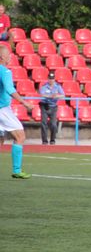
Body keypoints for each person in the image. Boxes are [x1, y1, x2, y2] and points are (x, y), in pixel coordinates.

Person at [0, 45, 36, 178]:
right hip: (2, 109)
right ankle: (16, 170)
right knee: (20, 136)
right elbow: (10, 89)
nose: (10, 56)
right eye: (8, 54)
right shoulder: (5, 71)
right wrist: (24, 102)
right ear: (2, 57)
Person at [39, 71, 65, 145]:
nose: (51, 80)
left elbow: (63, 95)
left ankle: (52, 139)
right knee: (44, 123)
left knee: (53, 124)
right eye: (50, 79)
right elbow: (42, 94)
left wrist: (57, 96)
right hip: (45, 106)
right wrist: (50, 96)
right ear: (48, 79)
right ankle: (44, 140)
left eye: (52, 79)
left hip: (53, 106)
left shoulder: (58, 86)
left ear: (54, 79)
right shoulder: (44, 86)